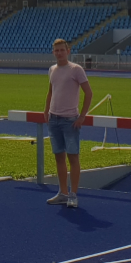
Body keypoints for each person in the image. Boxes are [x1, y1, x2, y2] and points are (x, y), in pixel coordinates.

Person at [44, 38, 92, 208]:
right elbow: (51, 91)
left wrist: (82, 117)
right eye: (56, 51)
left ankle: (73, 194)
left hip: (70, 120)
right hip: (54, 118)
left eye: (62, 50)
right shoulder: (52, 70)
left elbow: (89, 93)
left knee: (73, 157)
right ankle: (62, 192)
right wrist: (46, 110)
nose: (59, 53)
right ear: (53, 52)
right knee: (59, 157)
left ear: (68, 51)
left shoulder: (76, 69)